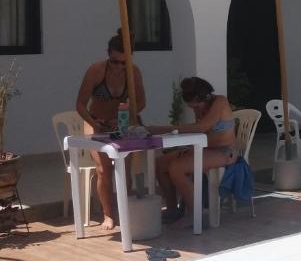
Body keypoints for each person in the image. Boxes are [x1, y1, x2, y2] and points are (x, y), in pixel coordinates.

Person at [75, 29, 146, 230]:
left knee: (124, 166)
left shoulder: (134, 72)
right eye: (115, 62)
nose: (119, 67)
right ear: (108, 54)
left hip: (120, 122)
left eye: (124, 63)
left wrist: (123, 116)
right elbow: (80, 104)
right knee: (103, 169)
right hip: (95, 120)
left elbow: (141, 102)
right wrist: (94, 123)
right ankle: (108, 214)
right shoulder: (96, 71)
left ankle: (125, 208)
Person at [149, 77, 237, 223]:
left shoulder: (220, 102)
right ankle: (172, 209)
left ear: (206, 97)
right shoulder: (201, 107)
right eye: (193, 108)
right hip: (203, 148)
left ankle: (195, 216)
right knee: (160, 163)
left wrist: (161, 129)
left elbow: (200, 128)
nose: (196, 110)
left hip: (225, 151)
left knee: (177, 168)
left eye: (197, 107)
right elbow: (198, 133)